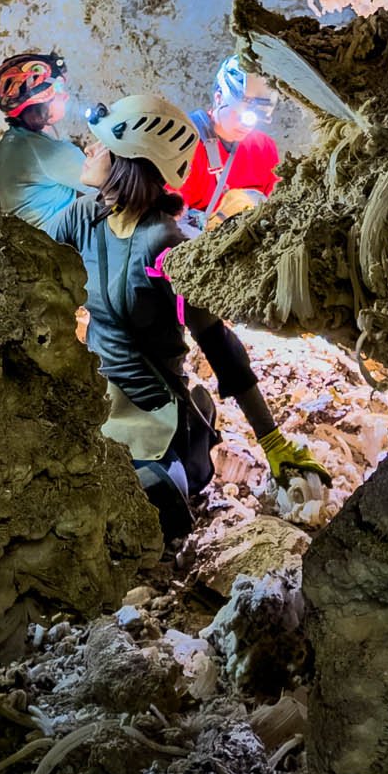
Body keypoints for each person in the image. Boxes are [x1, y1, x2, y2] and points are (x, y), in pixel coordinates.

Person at [47, 91, 328, 542]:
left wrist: (274, 443)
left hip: (148, 408)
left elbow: (216, 340)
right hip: (94, 392)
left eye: (102, 144)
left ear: (130, 160)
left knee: (136, 512)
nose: (90, 149)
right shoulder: (84, 216)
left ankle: (186, 447)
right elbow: (30, 275)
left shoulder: (164, 245)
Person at [176, 55, 282, 229]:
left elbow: (278, 201)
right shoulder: (183, 144)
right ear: (219, 98)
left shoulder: (264, 148)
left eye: (256, 118)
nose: (245, 125)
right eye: (240, 114)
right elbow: (165, 219)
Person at [0, 50, 87, 235]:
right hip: (62, 246)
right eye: (57, 89)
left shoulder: (11, 141)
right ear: (37, 106)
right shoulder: (50, 154)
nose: (65, 95)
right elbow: (109, 185)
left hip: (30, 239)